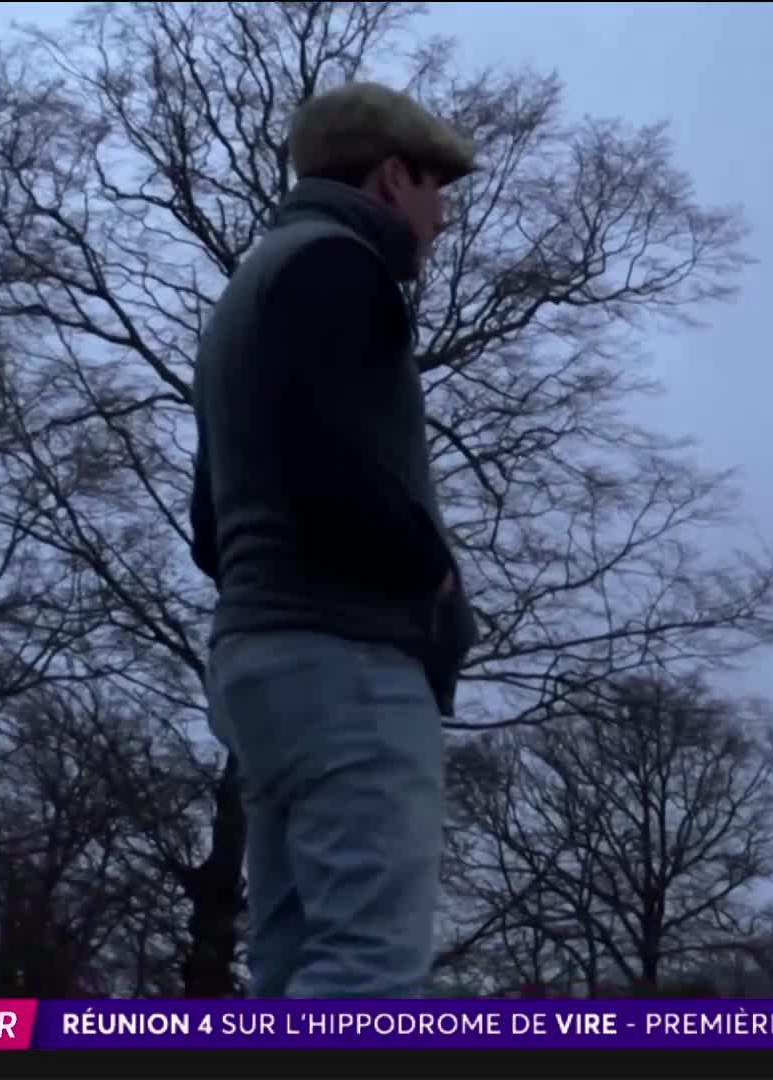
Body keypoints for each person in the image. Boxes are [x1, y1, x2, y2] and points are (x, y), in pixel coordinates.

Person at [186, 82, 481, 999]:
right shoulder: (338, 268)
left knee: (287, 967)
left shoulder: (259, 283)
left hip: (265, 664)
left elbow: (211, 523)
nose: (441, 219)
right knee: (368, 973)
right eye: (437, 190)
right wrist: (428, 575)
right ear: (394, 177)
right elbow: (327, 464)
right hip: (347, 662)